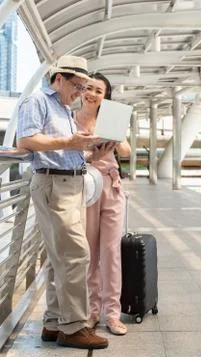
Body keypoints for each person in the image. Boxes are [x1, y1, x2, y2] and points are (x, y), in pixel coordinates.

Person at [16, 55, 109, 350]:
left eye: (85, 87)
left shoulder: (64, 109)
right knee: (77, 255)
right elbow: (27, 140)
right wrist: (69, 142)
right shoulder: (38, 101)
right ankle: (74, 327)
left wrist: (93, 152)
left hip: (70, 182)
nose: (81, 93)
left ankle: (54, 322)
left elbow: (67, 151)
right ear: (59, 79)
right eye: (78, 85)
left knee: (60, 258)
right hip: (54, 185)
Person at [75, 72, 131, 335]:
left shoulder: (109, 119)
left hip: (111, 186)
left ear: (105, 96)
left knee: (111, 253)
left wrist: (116, 140)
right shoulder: (70, 119)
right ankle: (91, 312)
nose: (92, 93)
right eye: (88, 88)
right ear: (81, 90)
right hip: (86, 188)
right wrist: (90, 153)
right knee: (89, 253)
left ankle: (112, 313)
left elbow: (127, 152)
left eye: (99, 90)